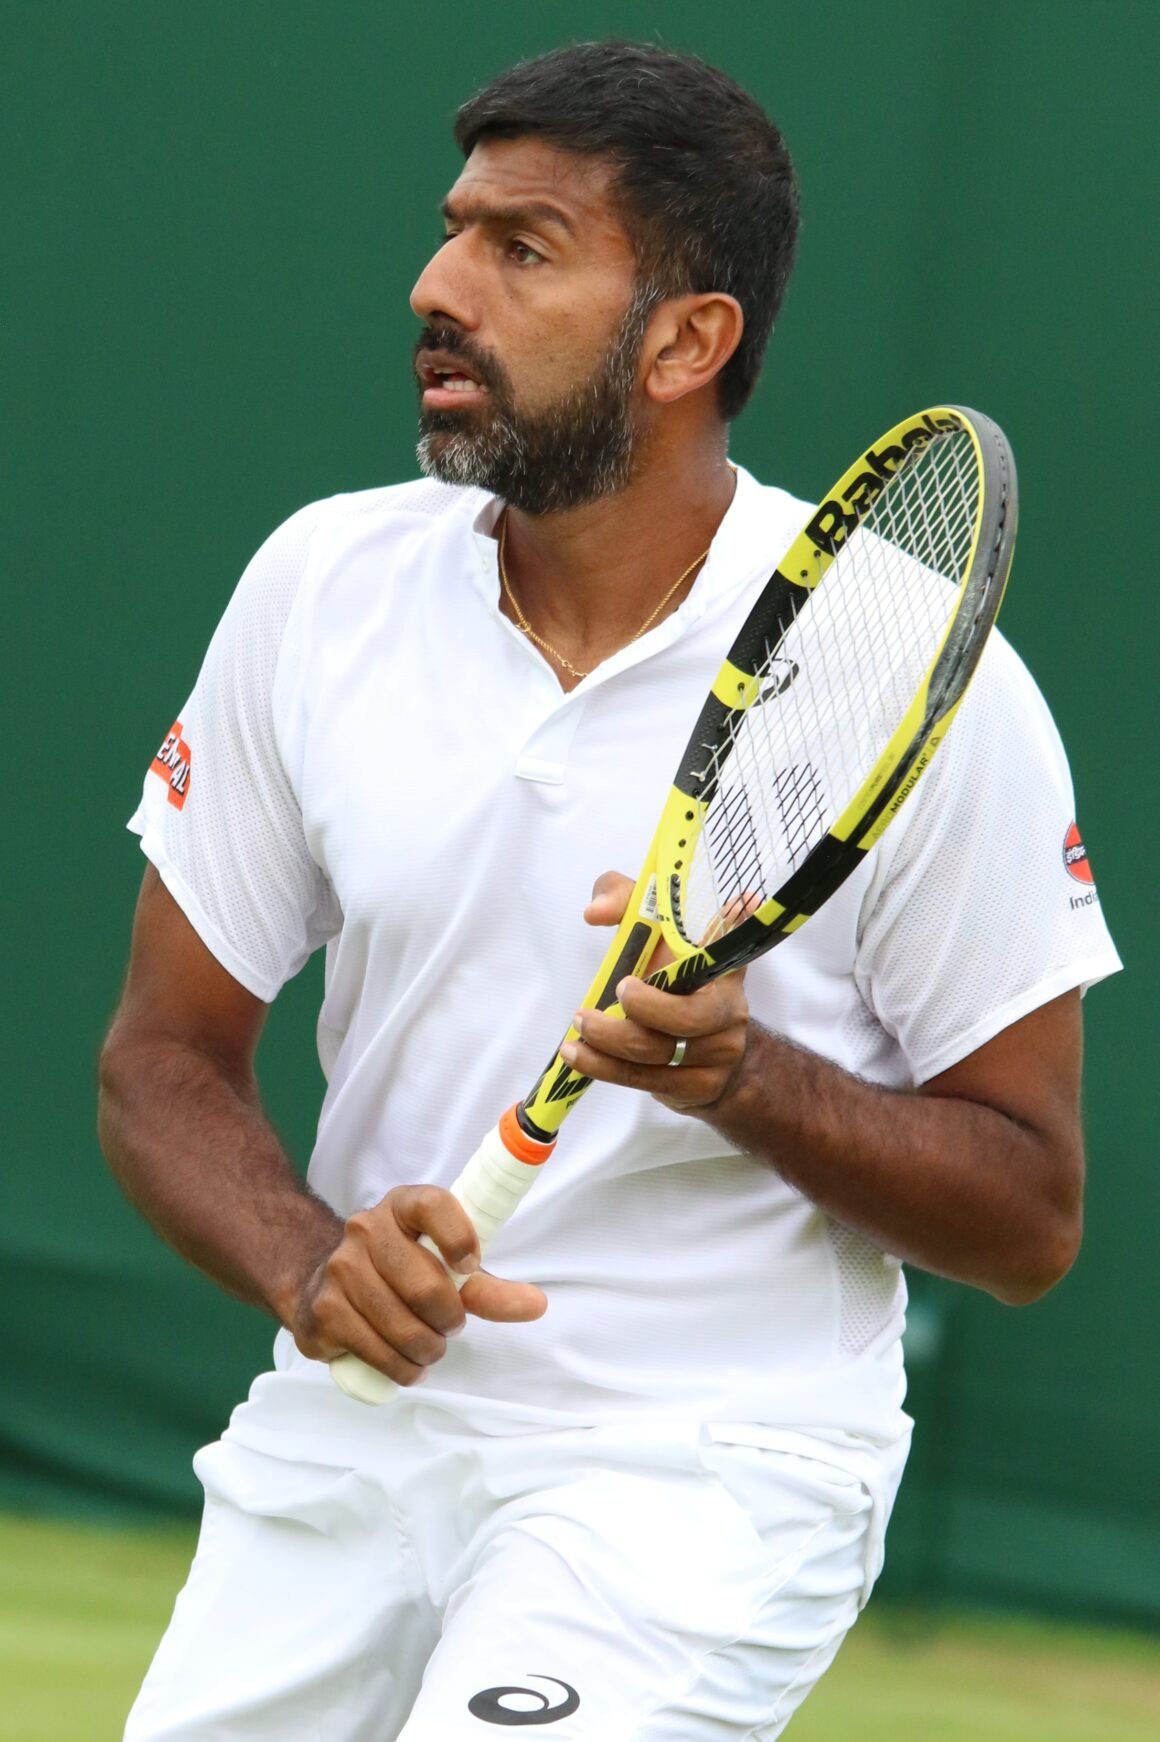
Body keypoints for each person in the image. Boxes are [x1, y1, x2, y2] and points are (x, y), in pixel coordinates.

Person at [99, 41, 1120, 1742]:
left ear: (687, 340)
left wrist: (744, 1076)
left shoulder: (914, 676)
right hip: (354, 1425)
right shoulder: (318, 587)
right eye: (453, 232)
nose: (438, 287)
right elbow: (159, 1061)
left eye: (523, 247)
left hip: (703, 1467)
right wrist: (311, 1261)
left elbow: (1030, 1217)